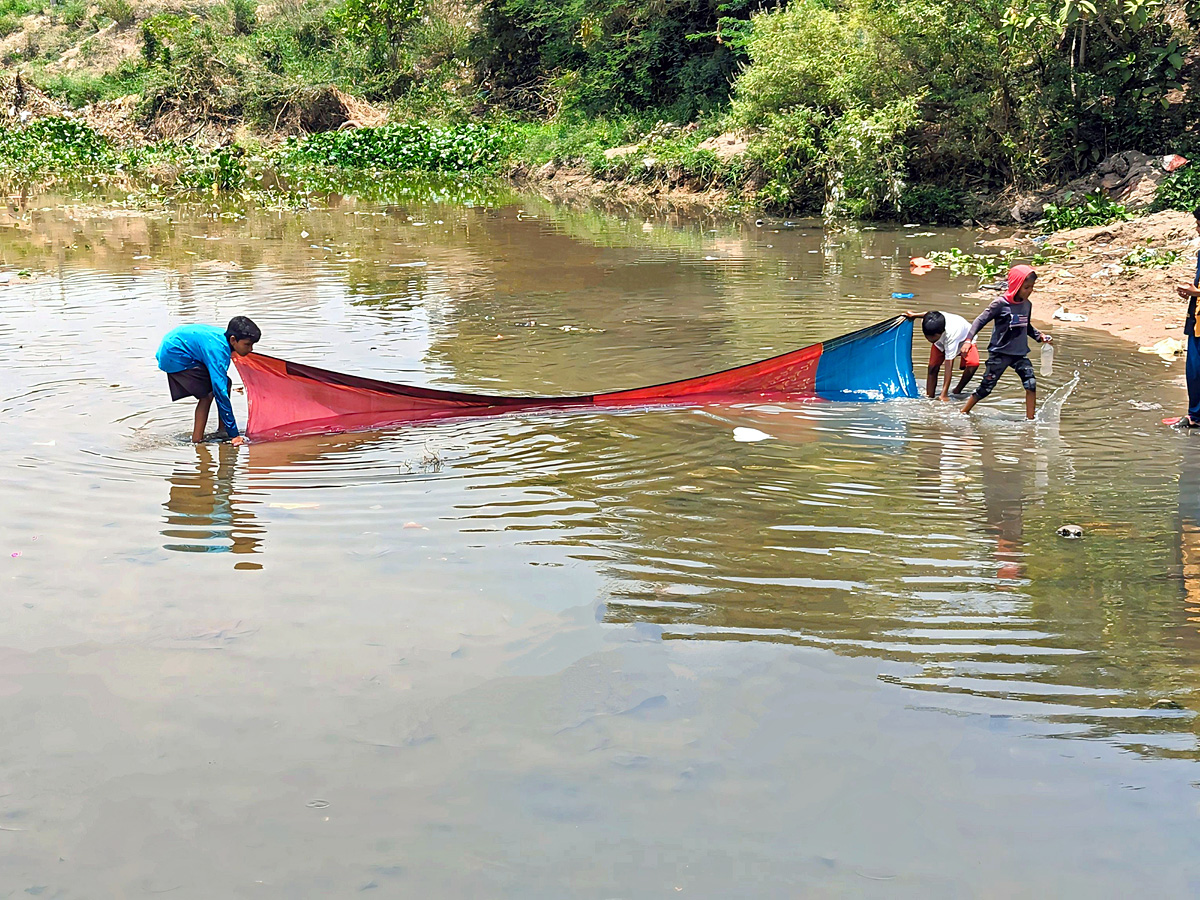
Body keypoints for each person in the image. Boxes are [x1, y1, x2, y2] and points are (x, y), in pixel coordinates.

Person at [960, 264, 1052, 420]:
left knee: (1031, 384)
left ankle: (1030, 421)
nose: (1029, 291)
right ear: (1016, 285)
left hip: (1019, 354)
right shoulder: (1000, 304)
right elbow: (980, 320)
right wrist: (968, 340)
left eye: (1031, 287)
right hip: (1000, 353)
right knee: (986, 388)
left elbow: (1026, 325)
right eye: (1026, 287)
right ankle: (963, 412)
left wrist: (1039, 336)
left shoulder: (1027, 305)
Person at [156, 316, 261, 445]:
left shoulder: (225, 339)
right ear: (233, 340)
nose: (250, 349)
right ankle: (197, 441)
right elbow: (220, 391)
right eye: (247, 345)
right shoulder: (217, 350)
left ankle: (223, 430)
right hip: (174, 354)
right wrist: (235, 434)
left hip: (176, 344)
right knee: (208, 394)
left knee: (226, 383)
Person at [904, 309, 980, 400]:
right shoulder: (928, 323)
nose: (929, 339)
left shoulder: (951, 334)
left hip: (964, 339)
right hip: (941, 342)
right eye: (927, 336)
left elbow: (948, 367)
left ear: (942, 331)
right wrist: (914, 315)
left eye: (933, 337)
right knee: (932, 367)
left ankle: (957, 390)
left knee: (973, 363)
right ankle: (929, 396)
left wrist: (944, 394)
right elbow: (928, 314)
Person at [1174, 207, 1200, 427]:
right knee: (1193, 369)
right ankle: (1195, 415)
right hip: (1197, 318)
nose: (1197, 229)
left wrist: (1196, 292)